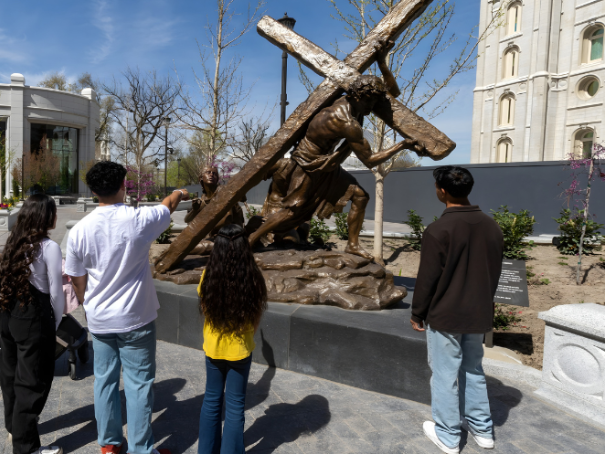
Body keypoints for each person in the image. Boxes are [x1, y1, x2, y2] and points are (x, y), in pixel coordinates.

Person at [248, 40, 424, 257]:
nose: (371, 107)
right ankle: (251, 240)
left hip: (326, 163)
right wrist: (402, 145)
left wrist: (382, 63)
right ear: (355, 96)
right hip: (308, 166)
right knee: (292, 209)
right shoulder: (347, 123)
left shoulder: (350, 99)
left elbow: (392, 93)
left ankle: (352, 245)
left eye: (373, 101)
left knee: (360, 196)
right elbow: (369, 160)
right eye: (367, 101)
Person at [65, 161, 188, 454]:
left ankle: (109, 444)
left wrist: (87, 304)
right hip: (136, 318)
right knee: (139, 384)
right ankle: (141, 449)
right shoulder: (140, 219)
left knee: (105, 382)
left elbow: (76, 277)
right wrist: (181, 192)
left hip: (100, 319)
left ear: (93, 191)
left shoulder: (79, 230)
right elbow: (168, 204)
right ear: (124, 186)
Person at [411, 166, 503, 453]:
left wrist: (417, 313)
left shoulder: (439, 230)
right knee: (473, 369)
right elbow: (494, 273)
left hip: (445, 315)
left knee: (444, 374)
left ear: (442, 190)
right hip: (477, 314)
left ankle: (449, 436)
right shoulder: (491, 226)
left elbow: (427, 279)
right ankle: (483, 430)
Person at [0, 194, 64, 454]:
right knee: (32, 382)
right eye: (53, 212)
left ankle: (15, 427)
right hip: (34, 316)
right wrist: (54, 323)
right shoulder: (49, 247)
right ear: (45, 217)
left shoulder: (14, 241)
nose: (55, 217)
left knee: (11, 374)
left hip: (9, 312)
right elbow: (56, 293)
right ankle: (26, 447)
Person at [197, 223, 267, 454]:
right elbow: (255, 318)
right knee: (236, 406)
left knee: (211, 401)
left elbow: (206, 309)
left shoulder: (208, 276)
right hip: (241, 351)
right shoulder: (254, 278)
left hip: (213, 350)